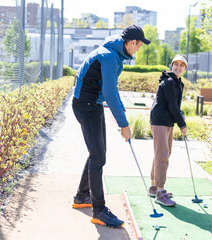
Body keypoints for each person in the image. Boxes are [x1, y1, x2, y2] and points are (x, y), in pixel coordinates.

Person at [71, 25, 150, 228]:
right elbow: (109, 92)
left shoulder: (115, 54)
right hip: (86, 105)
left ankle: (81, 197)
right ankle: (99, 210)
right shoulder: (108, 57)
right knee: (98, 156)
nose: (139, 49)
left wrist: (122, 114)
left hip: (91, 104)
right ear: (132, 42)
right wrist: (123, 124)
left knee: (97, 153)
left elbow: (111, 90)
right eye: (139, 45)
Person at [148, 54, 188, 207]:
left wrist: (180, 117)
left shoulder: (178, 83)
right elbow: (172, 106)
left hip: (167, 122)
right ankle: (160, 192)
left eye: (181, 65)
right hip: (160, 121)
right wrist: (182, 125)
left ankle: (153, 187)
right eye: (175, 64)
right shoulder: (169, 82)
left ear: (185, 68)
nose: (178, 67)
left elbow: (175, 106)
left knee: (162, 154)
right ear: (172, 65)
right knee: (162, 155)